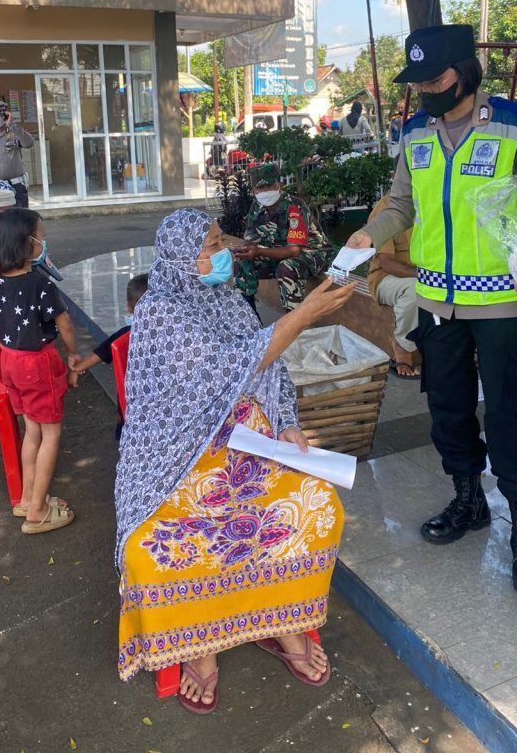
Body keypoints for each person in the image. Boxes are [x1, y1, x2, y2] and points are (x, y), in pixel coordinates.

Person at [346, 24, 517, 593]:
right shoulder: (416, 131)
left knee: (508, 417)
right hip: (437, 302)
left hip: (502, 303)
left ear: (466, 72)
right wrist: (369, 236)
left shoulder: (515, 125)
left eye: (437, 77)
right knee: (446, 410)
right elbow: (401, 202)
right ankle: (469, 500)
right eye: (419, 80)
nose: (427, 88)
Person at [115, 209, 355, 712]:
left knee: (317, 511)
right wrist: (303, 314)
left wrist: (285, 417)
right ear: (182, 259)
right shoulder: (160, 309)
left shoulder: (224, 297)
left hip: (249, 440)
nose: (222, 252)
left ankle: (284, 623)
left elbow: (266, 366)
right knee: (157, 550)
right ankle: (201, 651)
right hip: (179, 455)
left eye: (220, 240)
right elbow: (233, 364)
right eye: (210, 245)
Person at [0, 208, 79, 535]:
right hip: (36, 365)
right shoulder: (40, 284)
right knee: (51, 433)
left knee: (33, 430)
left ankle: (27, 498)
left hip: (9, 362)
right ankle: (39, 511)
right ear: (26, 245)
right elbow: (64, 323)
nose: (44, 242)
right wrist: (72, 354)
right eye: (40, 237)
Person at [235, 163, 332, 313]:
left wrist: (259, 252)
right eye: (260, 188)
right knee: (242, 262)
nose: (265, 192)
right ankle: (249, 321)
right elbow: (251, 238)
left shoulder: (294, 206)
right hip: (278, 253)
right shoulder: (256, 206)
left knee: (286, 267)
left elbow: (294, 250)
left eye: (269, 187)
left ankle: (294, 323)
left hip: (313, 254)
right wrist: (245, 249)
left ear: (280, 185)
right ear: (253, 190)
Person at [71, 272, 149, 438]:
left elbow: (98, 354)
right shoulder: (171, 335)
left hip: (131, 405)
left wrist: (77, 369)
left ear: (129, 308)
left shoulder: (124, 335)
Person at [367, 192, 420, 379]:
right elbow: (387, 263)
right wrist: (426, 276)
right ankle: (402, 346)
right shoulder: (386, 209)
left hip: (425, 274)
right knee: (415, 290)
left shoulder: (432, 198)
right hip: (386, 277)